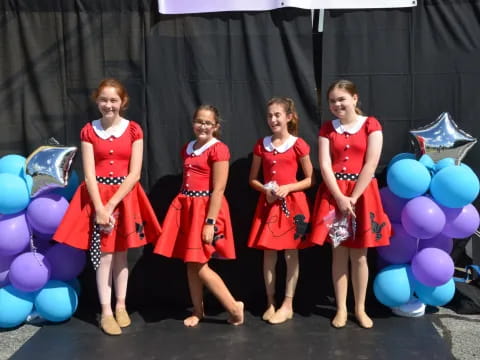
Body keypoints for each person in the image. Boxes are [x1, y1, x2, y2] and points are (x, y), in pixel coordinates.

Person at [54, 78, 162, 335]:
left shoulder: (134, 130)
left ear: (122, 102)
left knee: (122, 254)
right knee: (105, 256)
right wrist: (100, 209)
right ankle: (106, 311)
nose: (108, 105)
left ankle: (122, 305)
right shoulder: (89, 131)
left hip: (124, 198)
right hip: (97, 198)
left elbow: (134, 173)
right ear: (97, 101)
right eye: (104, 99)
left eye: (114, 100)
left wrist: (112, 203)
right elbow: (89, 174)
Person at [310, 80, 391, 329]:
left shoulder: (371, 125)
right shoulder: (327, 129)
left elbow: (371, 162)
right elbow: (324, 165)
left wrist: (353, 197)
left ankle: (360, 308)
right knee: (339, 253)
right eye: (332, 101)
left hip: (362, 196)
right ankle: (342, 309)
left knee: (360, 256)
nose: (337, 105)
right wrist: (340, 198)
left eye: (341, 99)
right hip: (335, 198)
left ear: (354, 98)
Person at [153, 105, 244, 327]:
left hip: (205, 210)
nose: (202, 126)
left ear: (216, 126)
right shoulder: (188, 148)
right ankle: (198, 310)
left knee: (199, 263)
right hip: (186, 208)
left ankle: (234, 307)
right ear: (193, 123)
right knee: (190, 262)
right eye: (199, 121)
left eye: (208, 123)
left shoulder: (218, 149)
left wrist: (210, 222)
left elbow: (219, 189)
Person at [247, 97, 314, 325]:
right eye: (270, 115)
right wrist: (265, 188)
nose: (273, 119)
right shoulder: (261, 145)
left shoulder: (298, 144)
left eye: (277, 115)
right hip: (268, 206)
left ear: (288, 117)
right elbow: (253, 179)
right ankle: (270, 302)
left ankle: (288, 304)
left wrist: (288, 187)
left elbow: (310, 179)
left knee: (291, 253)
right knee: (268, 254)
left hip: (293, 206)